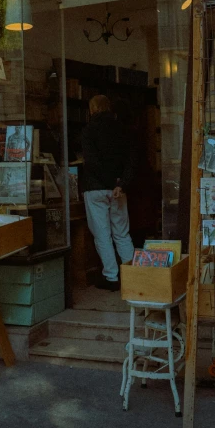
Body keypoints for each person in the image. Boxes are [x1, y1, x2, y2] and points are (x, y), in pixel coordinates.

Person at [81, 94, 135, 291]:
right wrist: (120, 184)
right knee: (122, 233)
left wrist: (106, 183)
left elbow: (92, 162)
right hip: (118, 189)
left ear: (92, 109)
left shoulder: (88, 131)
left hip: (96, 188)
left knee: (102, 235)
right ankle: (133, 275)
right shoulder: (122, 130)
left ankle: (111, 276)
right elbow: (130, 161)